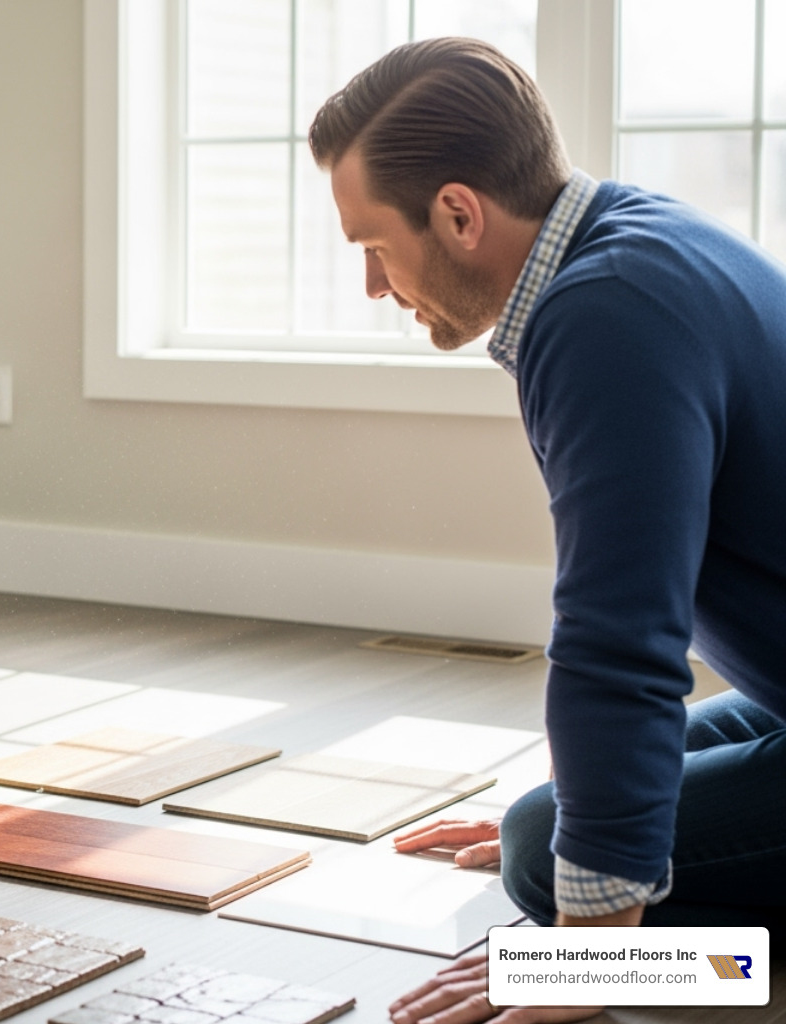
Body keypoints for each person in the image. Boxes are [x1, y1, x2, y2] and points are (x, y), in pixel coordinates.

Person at [308, 38, 786, 1023]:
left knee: (554, 858)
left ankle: (707, 959)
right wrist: (599, 849)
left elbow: (621, 637)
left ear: (457, 213)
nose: (374, 287)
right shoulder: (641, 237)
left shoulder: (605, 313)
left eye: (371, 248)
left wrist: (584, 956)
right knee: (548, 826)